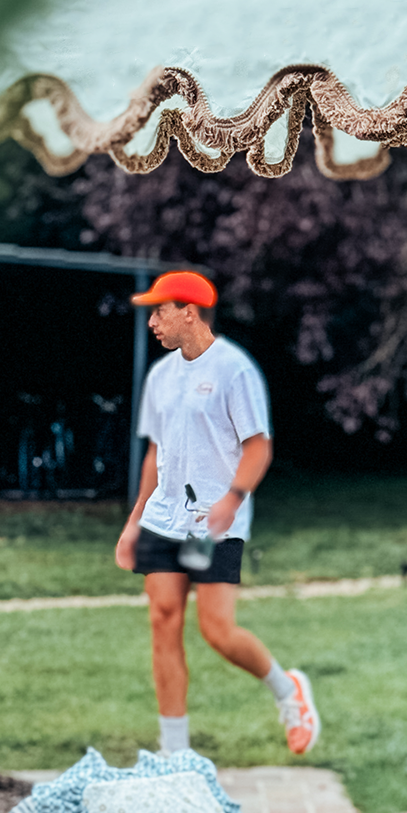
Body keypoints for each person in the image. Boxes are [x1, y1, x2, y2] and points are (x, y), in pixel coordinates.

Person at [114, 270, 319, 756]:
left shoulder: (235, 371)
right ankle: (175, 754)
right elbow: (154, 454)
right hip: (164, 520)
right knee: (163, 620)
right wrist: (133, 522)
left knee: (217, 631)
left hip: (213, 522)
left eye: (160, 311)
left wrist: (232, 499)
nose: (153, 323)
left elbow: (258, 448)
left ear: (190, 311)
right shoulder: (161, 376)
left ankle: (288, 691)